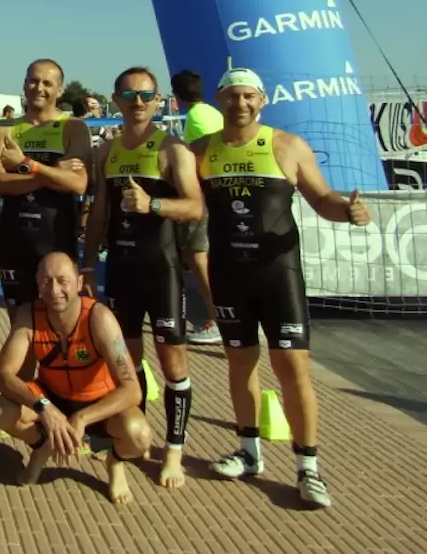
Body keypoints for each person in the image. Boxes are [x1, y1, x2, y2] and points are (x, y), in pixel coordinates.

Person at [191, 68, 370, 509]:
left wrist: (348, 212)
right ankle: (249, 452)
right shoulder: (201, 150)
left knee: (293, 368)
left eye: (248, 96)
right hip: (230, 273)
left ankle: (309, 467)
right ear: (219, 100)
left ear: (262, 100)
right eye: (232, 96)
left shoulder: (287, 145)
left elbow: (321, 199)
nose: (240, 103)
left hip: (277, 273)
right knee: (240, 364)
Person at [83, 67, 205, 488]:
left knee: (173, 364)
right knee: (126, 364)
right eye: (130, 95)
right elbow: (100, 211)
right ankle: (133, 440)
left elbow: (195, 207)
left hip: (162, 270)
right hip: (121, 269)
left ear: (158, 101)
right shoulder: (107, 150)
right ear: (116, 100)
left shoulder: (172, 149)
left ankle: (174, 451)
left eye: (146, 95)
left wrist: (152, 205)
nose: (138, 102)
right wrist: (87, 263)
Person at [0, 252, 151, 505]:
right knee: (3, 410)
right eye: (46, 281)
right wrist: (44, 407)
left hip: (97, 403)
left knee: (139, 435)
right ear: (37, 284)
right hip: (51, 396)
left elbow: (132, 390)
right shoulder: (28, 315)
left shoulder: (99, 318)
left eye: (62, 281)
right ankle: (42, 445)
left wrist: (83, 417)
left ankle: (115, 462)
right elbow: (1, 376)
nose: (54, 290)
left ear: (79, 283)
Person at [0, 59, 93, 306]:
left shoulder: (73, 128)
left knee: (58, 317)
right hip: (14, 241)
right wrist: (53, 174)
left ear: (60, 90)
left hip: (57, 239)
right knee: (19, 320)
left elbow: (78, 183)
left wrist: (25, 165)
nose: (39, 88)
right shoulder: (5, 128)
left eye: (47, 83)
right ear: (24, 85)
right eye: (33, 81)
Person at [170, 69, 224, 345]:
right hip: (210, 194)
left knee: (197, 257)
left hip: (202, 195)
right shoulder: (210, 112)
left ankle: (219, 320)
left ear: (176, 95)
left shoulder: (197, 117)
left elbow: (210, 153)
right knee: (199, 257)